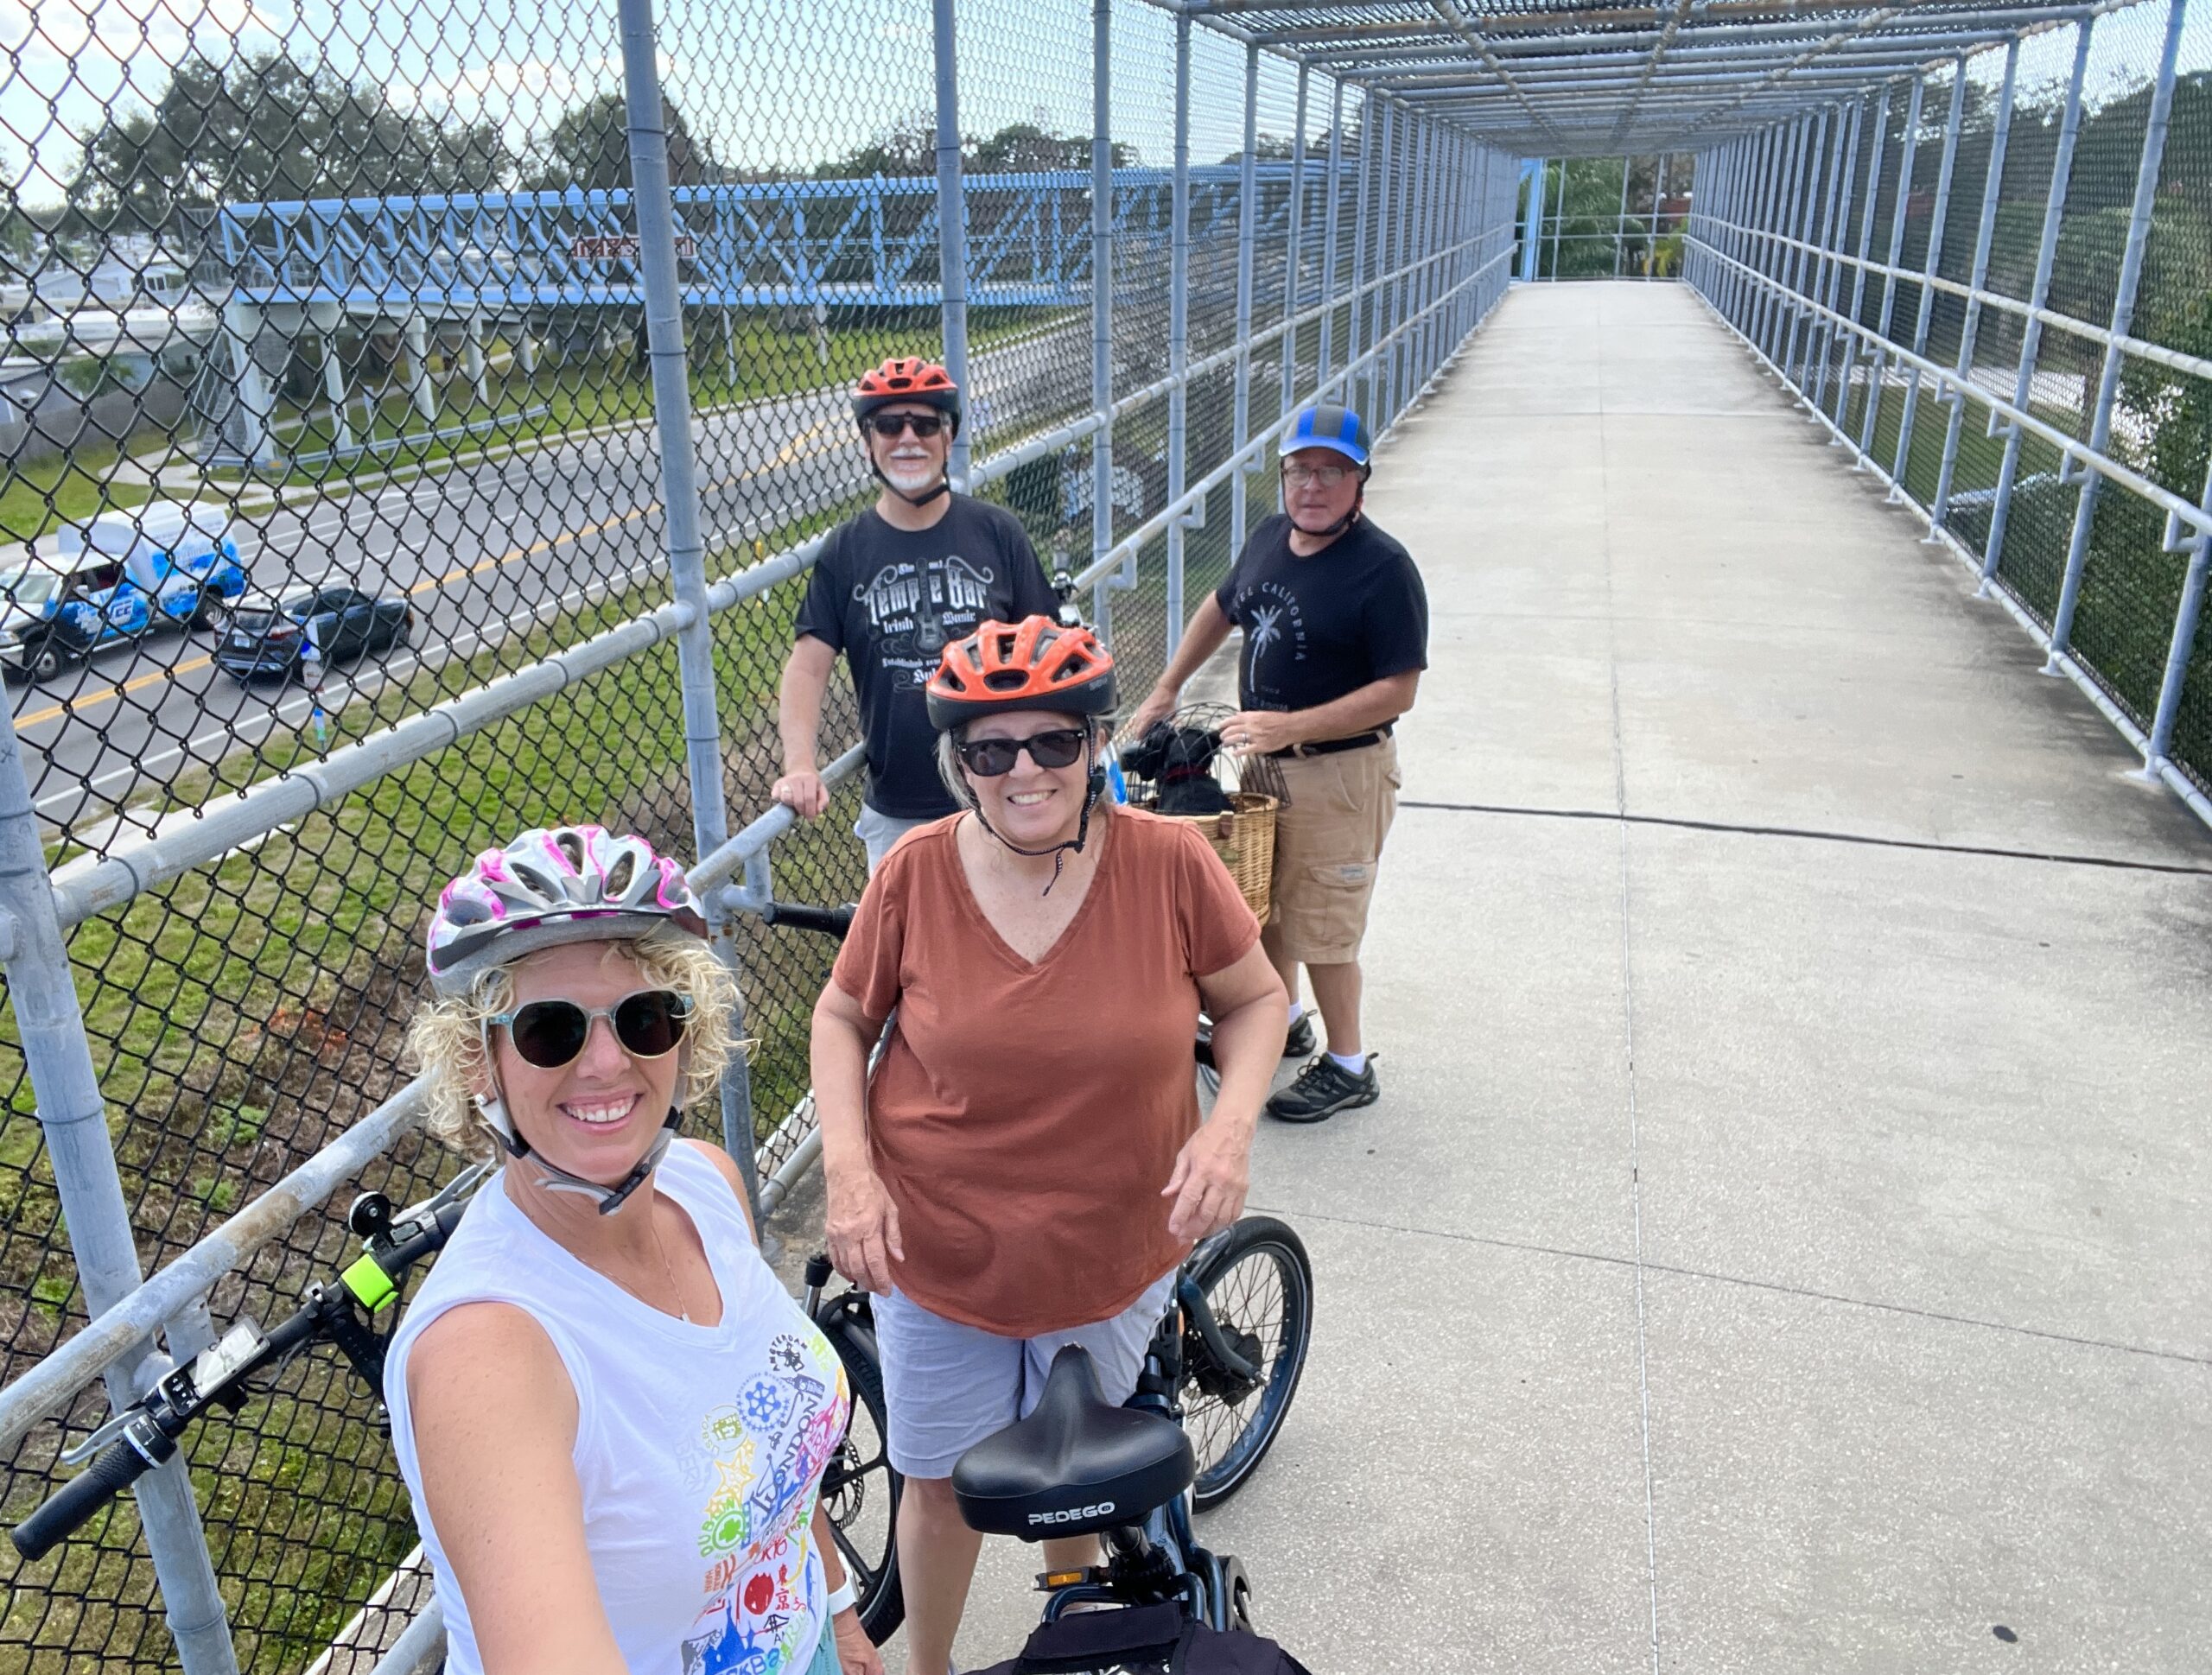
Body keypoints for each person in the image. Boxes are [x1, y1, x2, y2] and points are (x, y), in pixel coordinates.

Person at [810, 617, 1287, 1675]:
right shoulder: (915, 873)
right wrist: (849, 1171)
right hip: (941, 1249)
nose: (1024, 770)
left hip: (1107, 1246)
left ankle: (1063, 1636)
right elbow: (842, 1015)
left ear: (1095, 743)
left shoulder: (1167, 864)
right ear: (958, 765)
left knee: (1071, 1472)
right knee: (936, 1482)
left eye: (1053, 743)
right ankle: (931, 1664)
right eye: (990, 750)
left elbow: (1255, 999)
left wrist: (1226, 1130)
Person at [387, 825, 881, 1675]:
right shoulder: (490, 1353)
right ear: (480, 1059)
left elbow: (774, 1447)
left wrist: (836, 1612)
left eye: (644, 1018)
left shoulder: (706, 1184)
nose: (608, 1063)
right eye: (550, 1031)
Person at [1129, 403, 1427, 1124]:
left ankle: (1350, 1065)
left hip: (1339, 771)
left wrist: (1289, 726)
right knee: (1260, 904)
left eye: (1333, 471)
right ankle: (1285, 1017)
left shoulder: (1383, 570)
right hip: (1262, 762)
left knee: (1324, 919)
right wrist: (1168, 686)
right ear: (1284, 477)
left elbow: (1400, 689)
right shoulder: (1269, 538)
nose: (1314, 486)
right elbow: (1221, 605)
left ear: (1361, 481)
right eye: (1301, 470)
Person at [775, 357, 1061, 872]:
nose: (908, 437)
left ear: (948, 438)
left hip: (1003, 791)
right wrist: (800, 765)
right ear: (868, 442)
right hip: (899, 809)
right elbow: (807, 665)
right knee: (905, 951)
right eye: (889, 424)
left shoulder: (997, 532)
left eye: (926, 424)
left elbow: (1049, 646)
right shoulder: (847, 550)